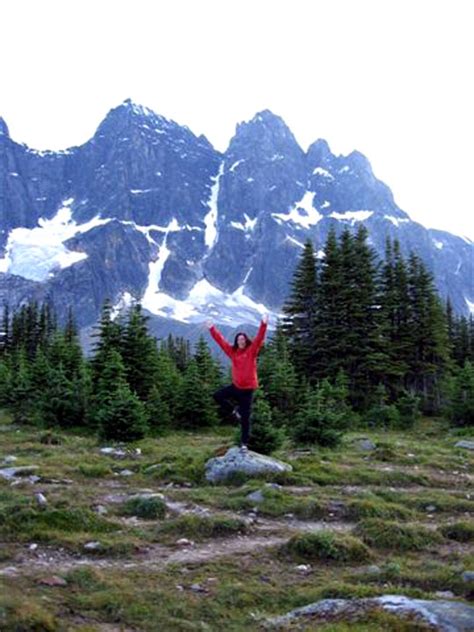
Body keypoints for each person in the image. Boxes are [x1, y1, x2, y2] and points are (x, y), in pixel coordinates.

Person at [206, 314, 269, 452]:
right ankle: (233, 410)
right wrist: (212, 328)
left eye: (243, 339)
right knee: (217, 395)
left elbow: (259, 339)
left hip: (247, 390)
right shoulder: (232, 352)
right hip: (236, 387)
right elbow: (221, 341)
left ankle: (244, 444)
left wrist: (264, 324)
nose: (241, 340)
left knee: (245, 418)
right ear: (237, 341)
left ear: (246, 340)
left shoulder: (251, 351)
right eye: (238, 339)